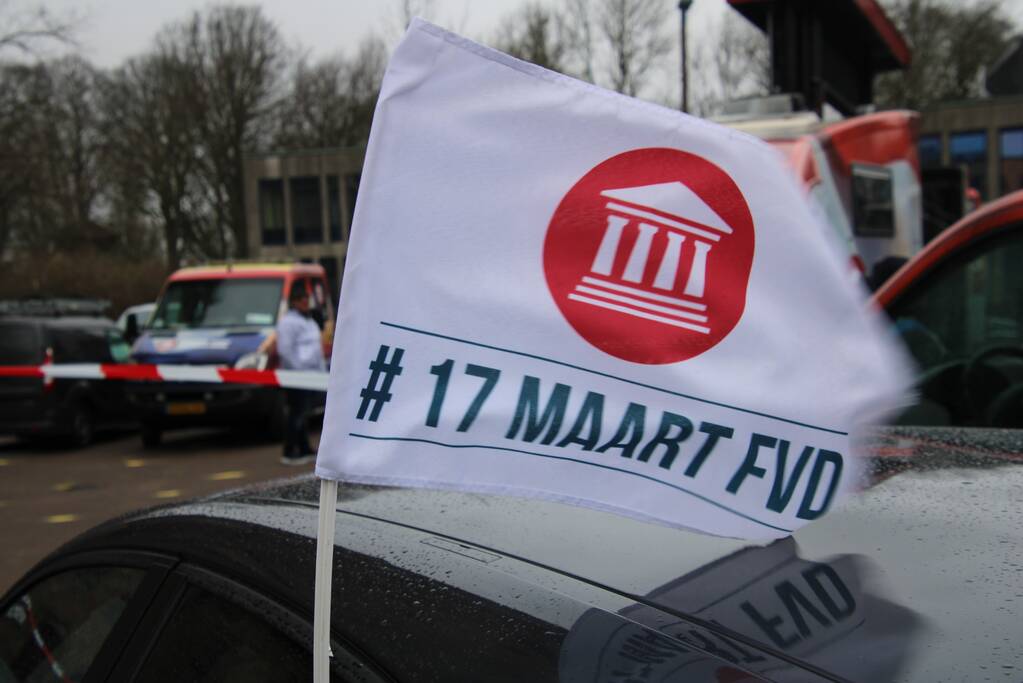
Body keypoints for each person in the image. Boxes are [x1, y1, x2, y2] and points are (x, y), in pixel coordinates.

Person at [276, 284, 327, 465]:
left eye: (306, 299)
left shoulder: (309, 320)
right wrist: (298, 371)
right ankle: (289, 451)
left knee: (304, 413)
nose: (305, 303)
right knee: (296, 414)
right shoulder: (288, 322)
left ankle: (304, 448)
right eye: (301, 300)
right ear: (294, 303)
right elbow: (285, 350)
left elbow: (315, 349)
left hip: (313, 375)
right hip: (297, 376)